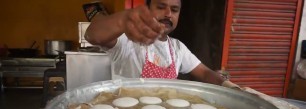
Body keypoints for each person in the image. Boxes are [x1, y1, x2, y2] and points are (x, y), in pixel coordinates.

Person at [85, 0, 239, 88]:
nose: (168, 14)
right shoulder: (128, 40)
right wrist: (124, 19)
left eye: (174, 10)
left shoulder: (178, 48)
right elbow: (93, 36)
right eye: (160, 7)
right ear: (147, 10)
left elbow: (205, 73)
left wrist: (231, 87)